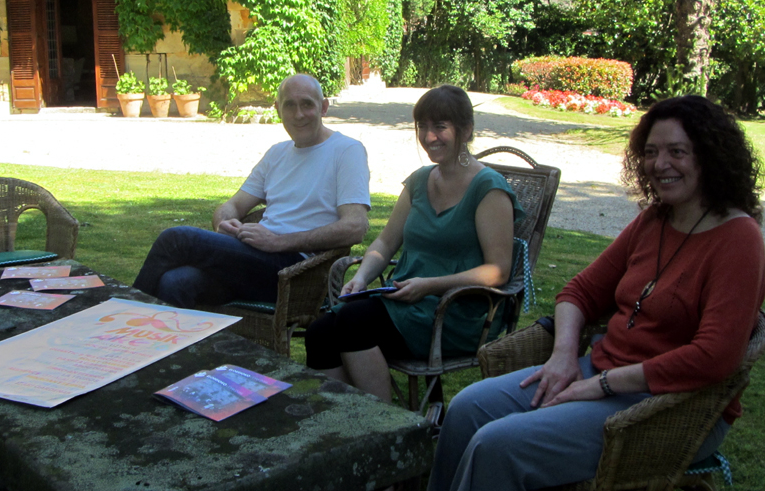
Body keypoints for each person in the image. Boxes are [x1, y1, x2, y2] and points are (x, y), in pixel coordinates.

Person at [429, 95, 765, 491]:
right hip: (600, 372)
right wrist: (563, 356)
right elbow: (579, 291)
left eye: (677, 152)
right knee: (467, 408)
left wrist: (602, 385)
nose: (660, 164)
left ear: (709, 157)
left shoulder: (740, 239)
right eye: (651, 152)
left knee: (498, 446)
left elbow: (715, 357)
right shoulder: (654, 220)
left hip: (672, 407)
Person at [305, 85, 525, 402]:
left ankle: (386, 424)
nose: (429, 136)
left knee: (353, 323)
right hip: (408, 302)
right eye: (423, 126)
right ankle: (348, 420)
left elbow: (498, 270)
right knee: (319, 333)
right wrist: (362, 277)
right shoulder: (420, 181)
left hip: (456, 311)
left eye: (440, 126)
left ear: (466, 130)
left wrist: (430, 285)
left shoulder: (489, 188)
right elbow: (385, 242)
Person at [133, 73, 371, 308]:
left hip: (296, 271)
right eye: (290, 105)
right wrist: (222, 224)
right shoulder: (277, 154)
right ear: (278, 109)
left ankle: (123, 315)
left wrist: (278, 242)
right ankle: (149, 332)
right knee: (175, 282)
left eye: (307, 104)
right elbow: (233, 206)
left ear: (323, 107)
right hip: (252, 262)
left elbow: (355, 227)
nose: (298, 114)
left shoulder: (346, 150)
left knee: (176, 240)